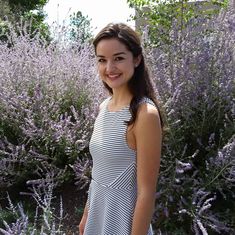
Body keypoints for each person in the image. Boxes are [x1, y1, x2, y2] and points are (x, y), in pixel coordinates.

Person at [78, 22, 163, 235]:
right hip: (97, 218)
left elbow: (146, 193)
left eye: (118, 58)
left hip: (124, 222)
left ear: (136, 59)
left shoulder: (145, 115)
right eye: (102, 60)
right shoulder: (103, 107)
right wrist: (86, 216)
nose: (109, 68)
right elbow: (99, 173)